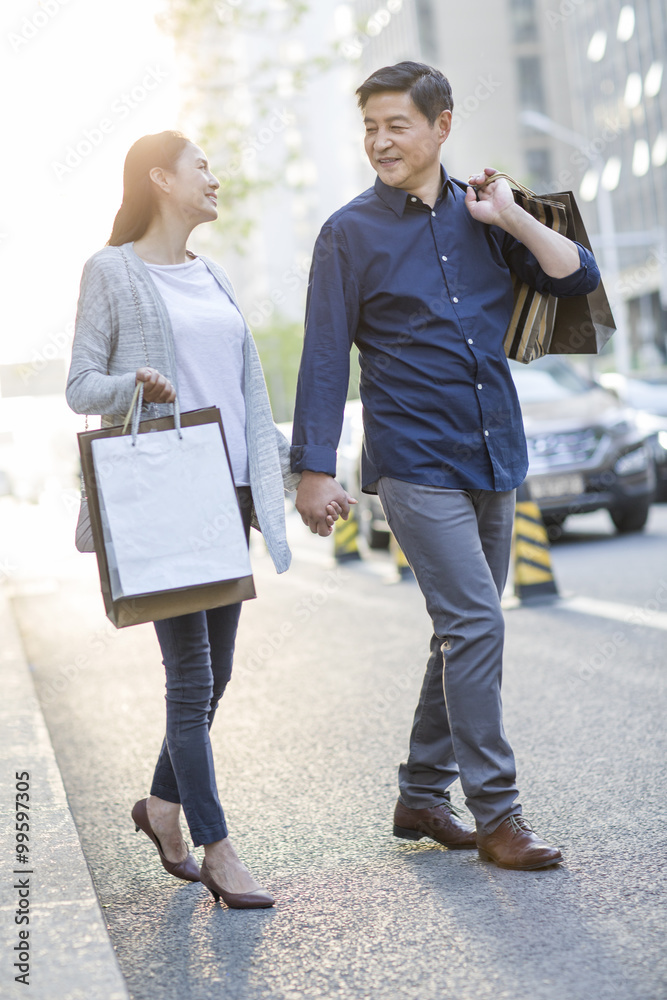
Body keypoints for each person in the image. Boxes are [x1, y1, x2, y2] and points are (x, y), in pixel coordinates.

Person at [291, 62, 601, 870]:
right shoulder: (348, 232)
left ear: (442, 127)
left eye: (397, 124)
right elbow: (326, 356)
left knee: (457, 631)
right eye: (369, 128)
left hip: (493, 448)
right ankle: (498, 815)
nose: (380, 141)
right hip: (413, 458)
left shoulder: (487, 212)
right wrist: (312, 470)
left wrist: (511, 219)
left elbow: (580, 276)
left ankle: (422, 791)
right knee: (475, 623)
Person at [66, 130, 346, 908]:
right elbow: (81, 384)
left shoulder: (211, 274)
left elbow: (247, 401)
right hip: (162, 502)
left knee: (214, 674)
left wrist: (303, 478)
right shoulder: (111, 271)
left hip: (225, 502)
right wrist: (134, 384)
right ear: (161, 179)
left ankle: (160, 806)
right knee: (190, 681)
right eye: (204, 169)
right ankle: (218, 849)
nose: (216, 180)